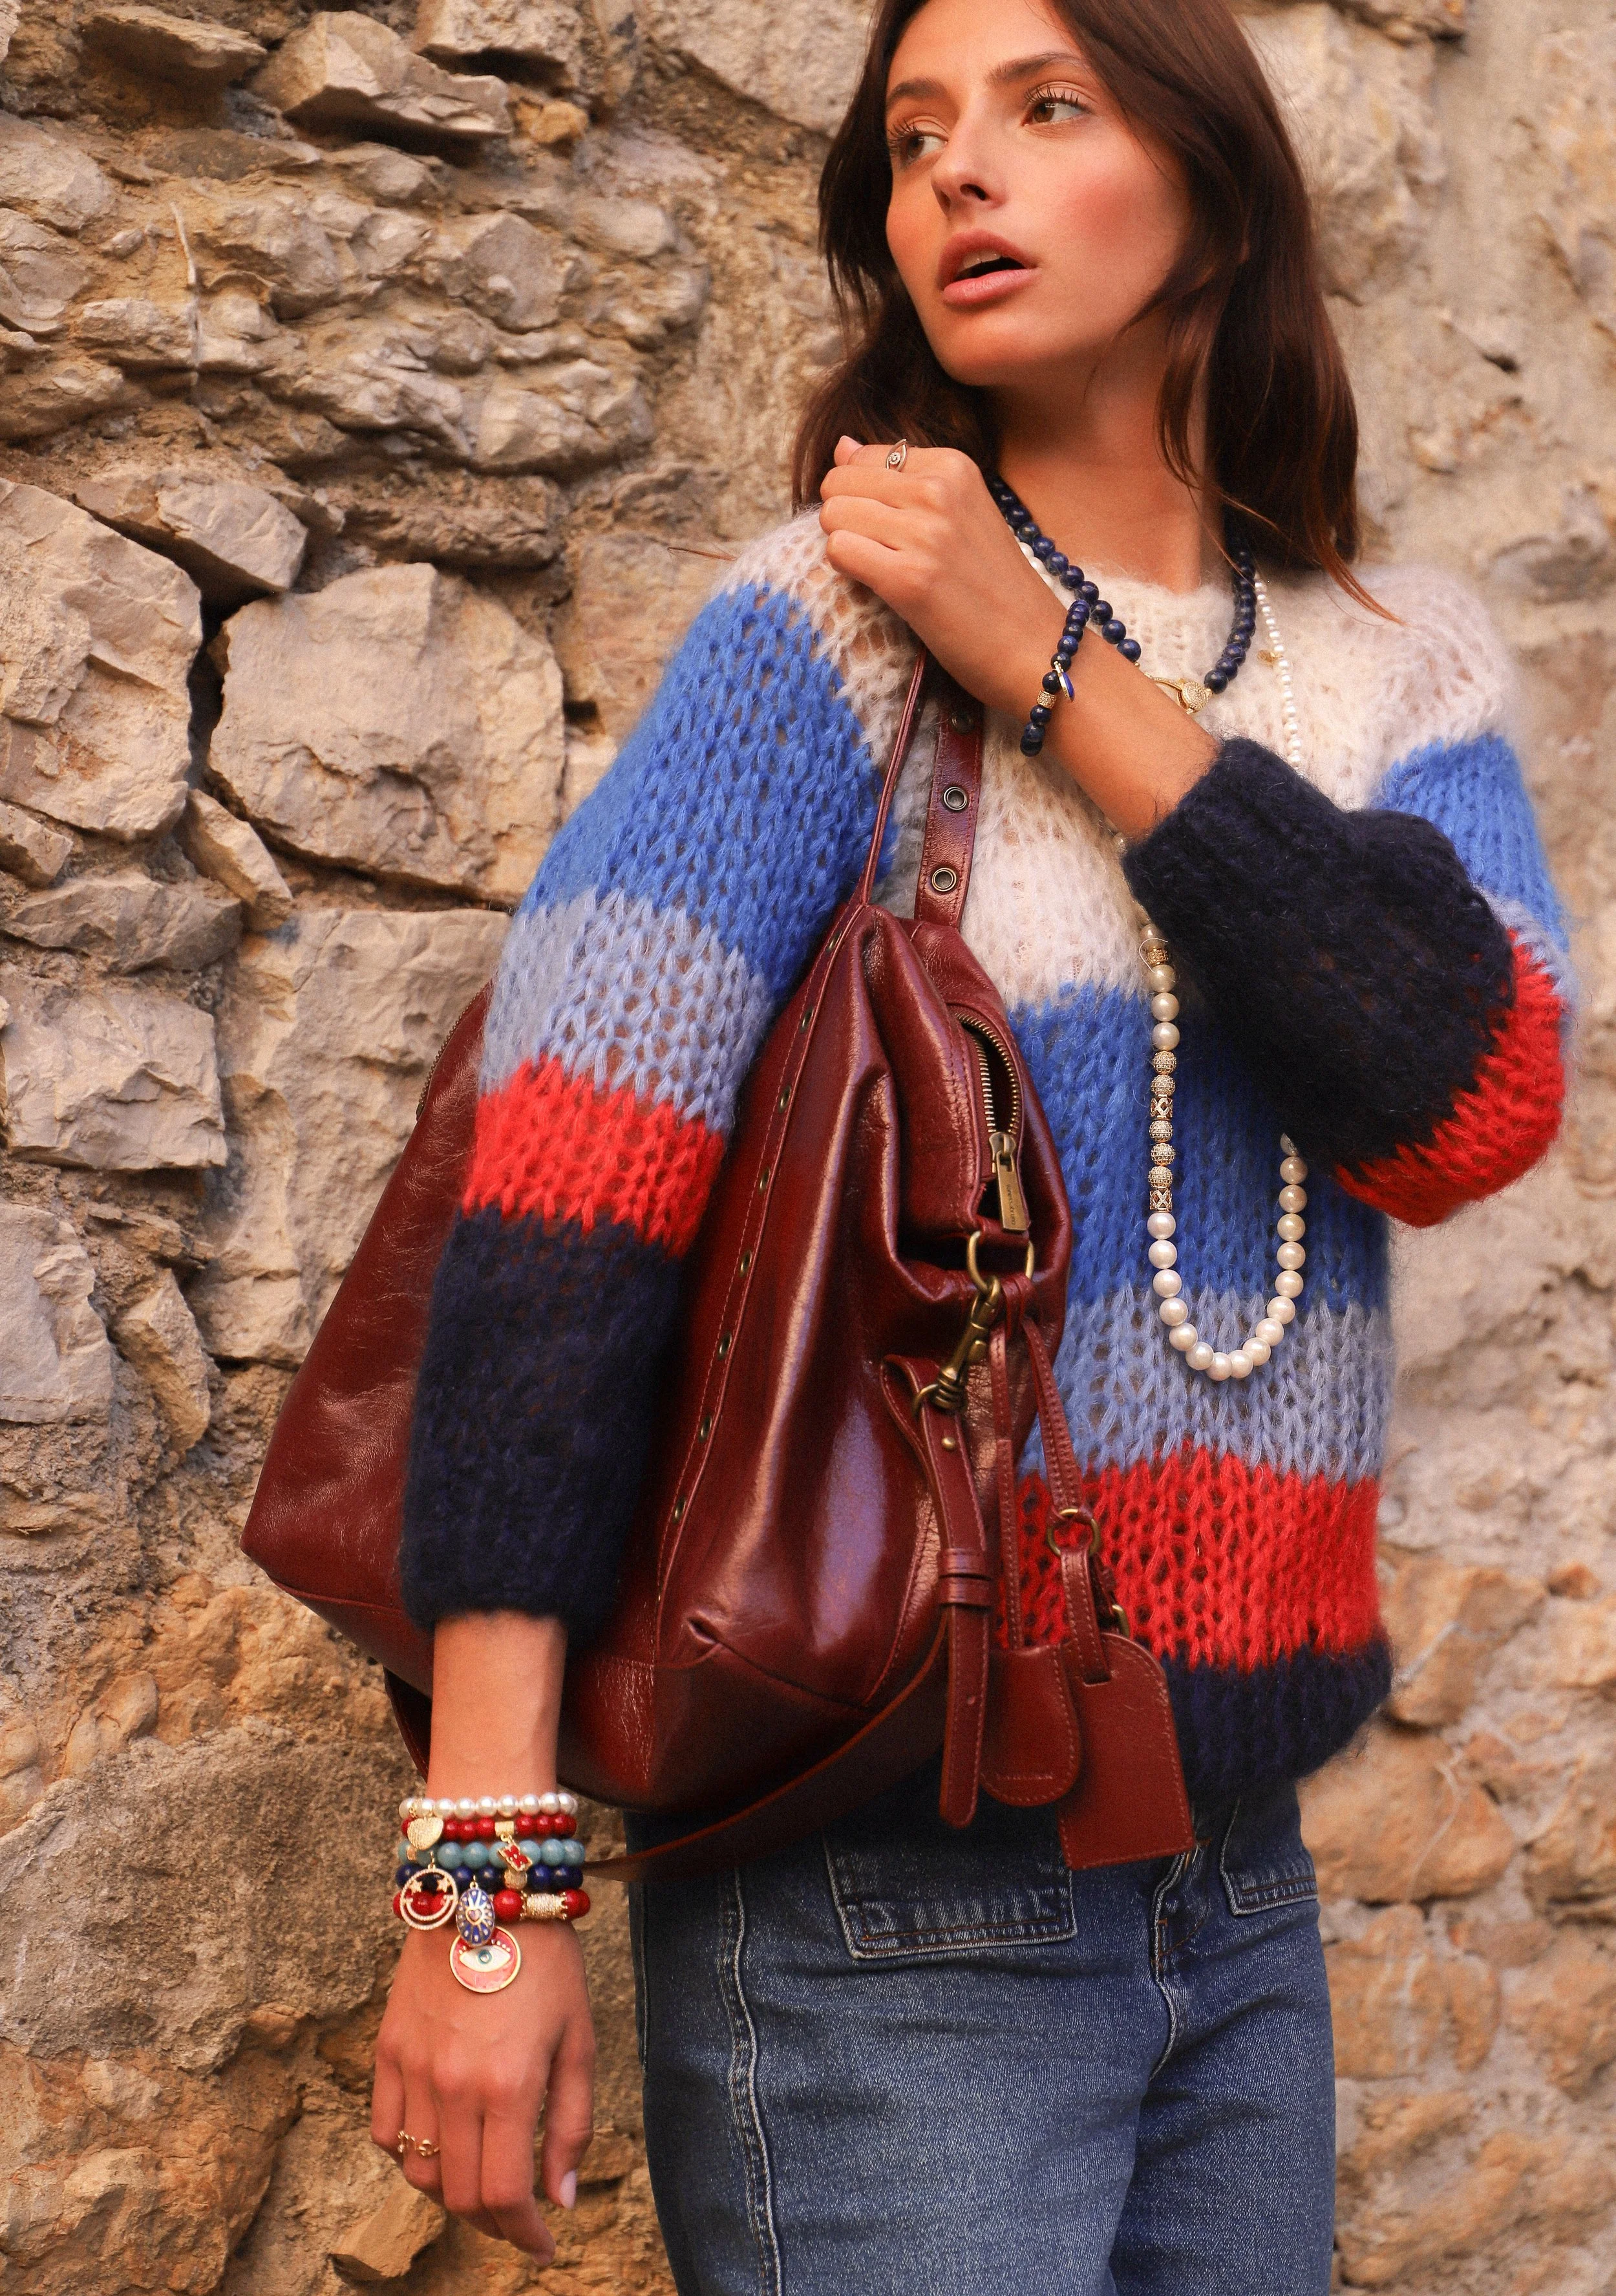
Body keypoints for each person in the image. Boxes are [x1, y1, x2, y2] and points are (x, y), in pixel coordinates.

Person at [370, 0, 1569, 2285]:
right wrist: (488, 1888)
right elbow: (552, 1228)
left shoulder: (1397, 662)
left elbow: (1469, 1099)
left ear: (1211, 191)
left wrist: (1051, 665)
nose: (959, 177)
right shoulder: (809, 637)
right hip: (873, 1873)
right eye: (915, 136)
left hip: (1237, 1871)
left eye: (1042, 111)